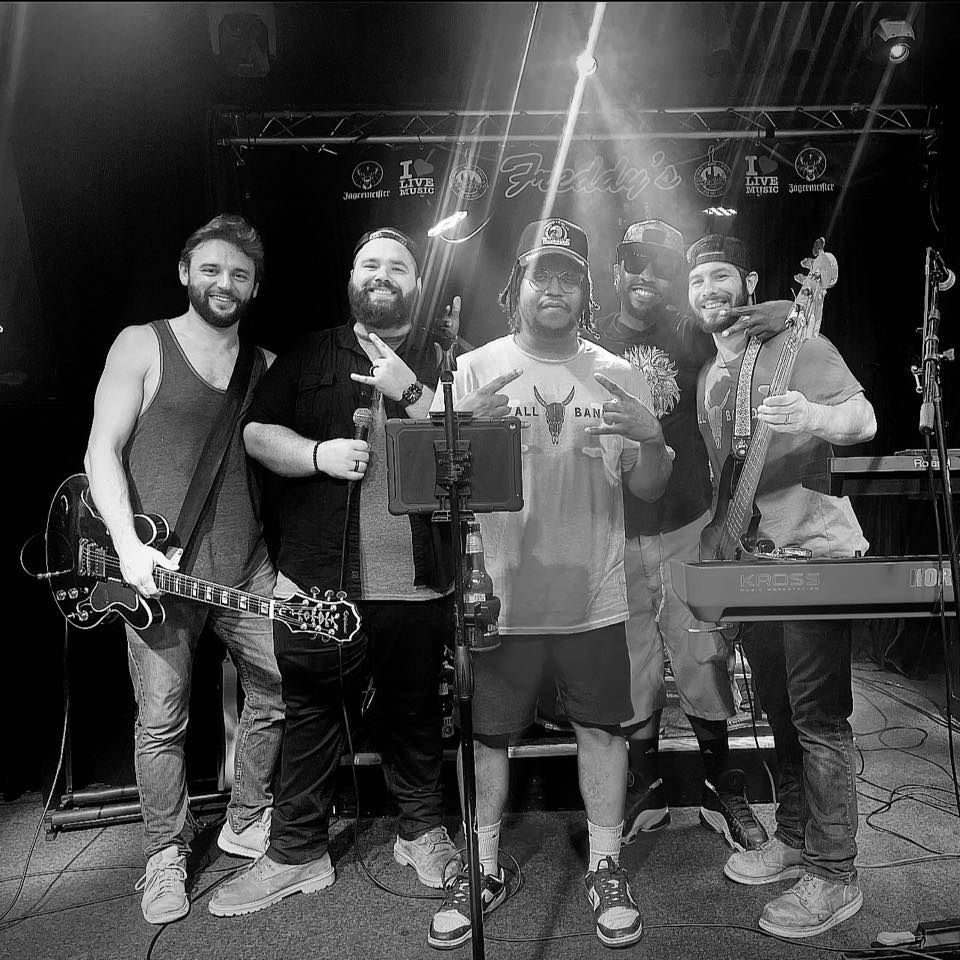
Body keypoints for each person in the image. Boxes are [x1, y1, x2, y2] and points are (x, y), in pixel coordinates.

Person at [427, 218, 672, 950]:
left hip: (592, 596)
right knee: (490, 738)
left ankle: (604, 866)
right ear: (517, 289)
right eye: (543, 274)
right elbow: (437, 493)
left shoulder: (618, 373)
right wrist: (458, 428)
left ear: (587, 291)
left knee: (602, 728)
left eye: (570, 276)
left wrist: (654, 436)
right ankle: (485, 868)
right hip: (497, 592)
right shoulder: (475, 369)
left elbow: (653, 490)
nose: (555, 287)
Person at [209, 227, 459, 918]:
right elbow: (258, 434)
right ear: (351, 277)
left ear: (416, 281)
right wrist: (318, 455)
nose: (382, 274)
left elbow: (477, 449)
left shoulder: (447, 356)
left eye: (397, 266)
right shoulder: (311, 352)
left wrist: (412, 394)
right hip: (318, 581)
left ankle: (422, 831)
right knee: (311, 713)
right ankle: (296, 854)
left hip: (418, 580)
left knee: (414, 712)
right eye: (369, 263)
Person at [84, 214, 285, 925]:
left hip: (244, 569)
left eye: (237, 273)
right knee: (162, 720)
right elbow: (99, 451)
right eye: (210, 269)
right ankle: (165, 857)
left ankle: (247, 816)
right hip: (155, 577)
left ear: (254, 286)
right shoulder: (142, 344)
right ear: (184, 272)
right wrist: (127, 548)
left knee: (283, 683)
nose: (222, 282)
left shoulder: (265, 368)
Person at [688, 233, 876, 938]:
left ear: (751, 281)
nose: (710, 290)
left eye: (722, 277)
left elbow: (863, 419)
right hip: (755, 565)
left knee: (819, 718)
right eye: (698, 279)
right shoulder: (713, 375)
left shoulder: (797, 347)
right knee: (777, 709)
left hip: (818, 557)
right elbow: (727, 480)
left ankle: (835, 873)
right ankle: (796, 836)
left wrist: (813, 417)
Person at [593, 220, 790, 850]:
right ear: (617, 268)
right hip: (612, 531)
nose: (646, 274)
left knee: (703, 660)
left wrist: (788, 308)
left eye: (660, 264)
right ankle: (646, 787)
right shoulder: (588, 338)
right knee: (632, 666)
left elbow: (767, 330)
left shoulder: (689, 331)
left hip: (689, 526)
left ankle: (718, 784)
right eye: (634, 261)